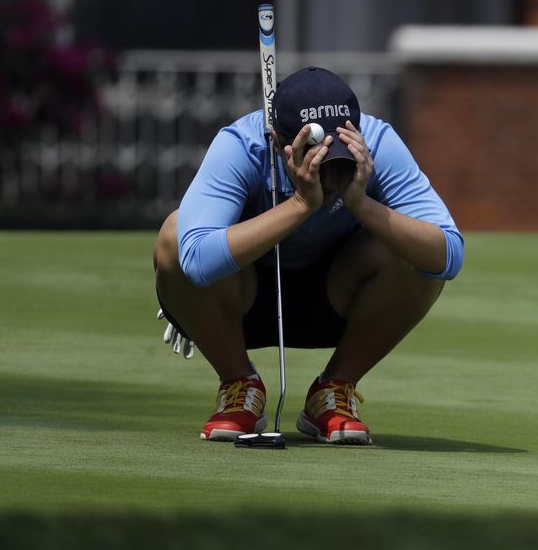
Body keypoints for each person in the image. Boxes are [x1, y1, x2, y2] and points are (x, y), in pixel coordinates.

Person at [154, 67, 464, 445]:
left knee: (414, 250)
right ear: (277, 138)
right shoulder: (240, 145)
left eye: (338, 156)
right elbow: (196, 261)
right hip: (244, 301)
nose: (328, 171)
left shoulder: (378, 143)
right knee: (174, 233)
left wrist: (361, 204)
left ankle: (333, 391)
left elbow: (448, 254)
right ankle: (239, 387)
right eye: (315, 155)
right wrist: (301, 204)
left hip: (340, 295)